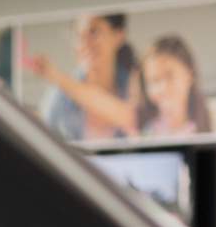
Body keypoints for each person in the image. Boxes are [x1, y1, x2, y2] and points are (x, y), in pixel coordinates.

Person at [26, 12, 141, 142]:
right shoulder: (58, 96)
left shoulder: (136, 86)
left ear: (119, 36)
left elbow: (133, 119)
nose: (84, 43)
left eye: (93, 32)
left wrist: (57, 77)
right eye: (79, 35)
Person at [139, 34, 212, 137]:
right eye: (154, 80)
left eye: (170, 76)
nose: (163, 88)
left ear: (190, 75)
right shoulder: (142, 132)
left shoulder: (208, 130)